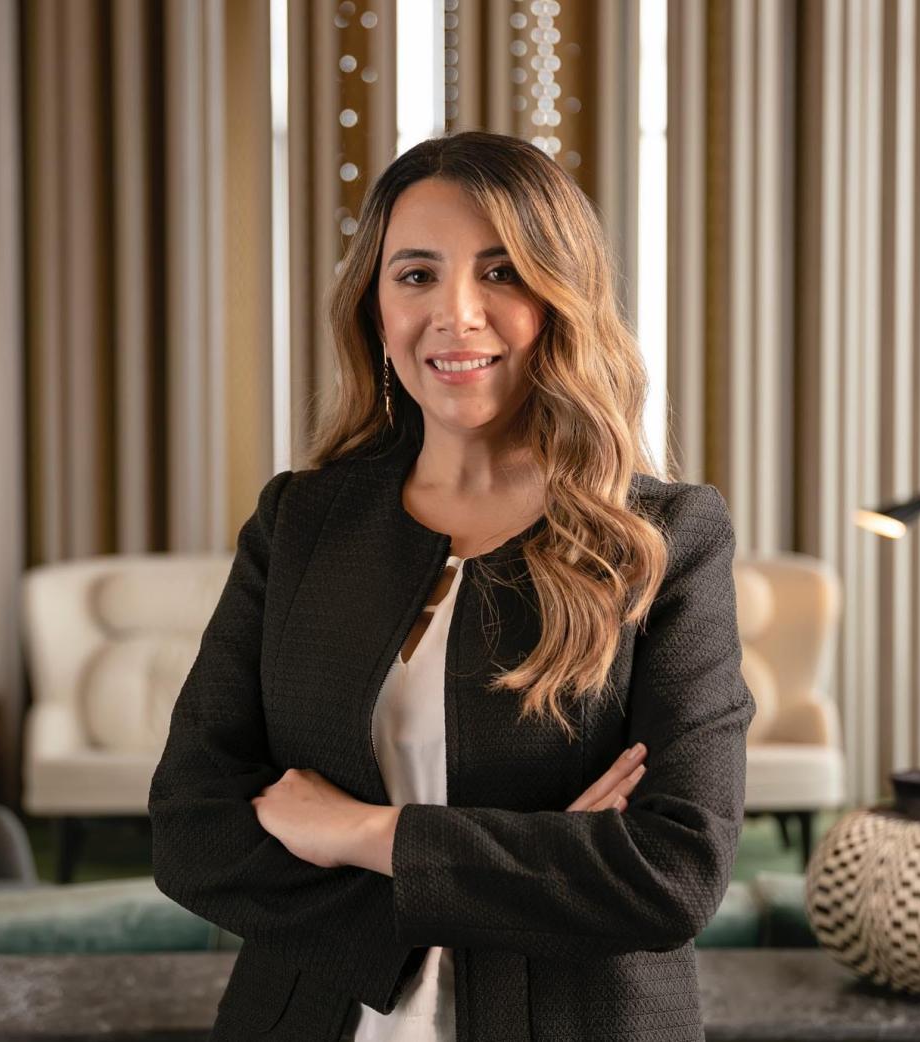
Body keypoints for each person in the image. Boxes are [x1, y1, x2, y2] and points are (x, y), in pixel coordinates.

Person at [148, 129, 755, 1042]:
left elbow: (673, 872)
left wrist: (361, 832)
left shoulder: (666, 540)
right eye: (417, 274)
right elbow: (192, 831)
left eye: (501, 272)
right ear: (375, 305)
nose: (456, 313)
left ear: (561, 297)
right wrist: (544, 869)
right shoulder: (300, 523)